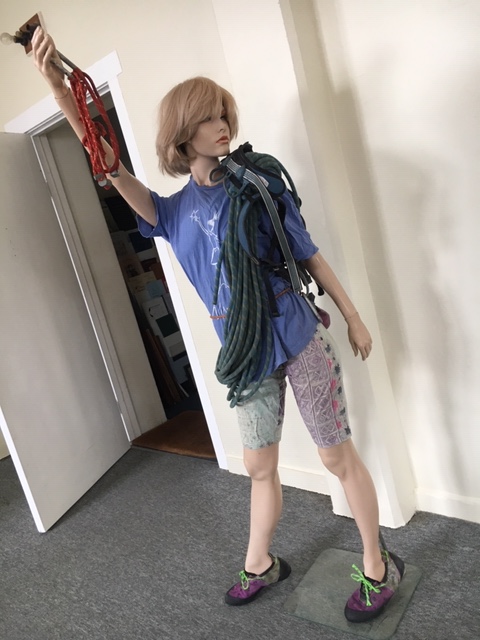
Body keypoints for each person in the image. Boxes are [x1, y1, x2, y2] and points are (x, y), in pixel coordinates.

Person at [32, 28, 404, 623]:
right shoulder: (170, 212)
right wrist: (59, 89)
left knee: (336, 457)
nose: (222, 125)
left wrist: (354, 317)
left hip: (297, 335)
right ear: (183, 135)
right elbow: (108, 164)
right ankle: (261, 562)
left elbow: (309, 255)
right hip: (245, 352)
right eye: (207, 118)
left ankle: (378, 563)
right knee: (259, 466)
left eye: (223, 113)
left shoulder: (258, 189)